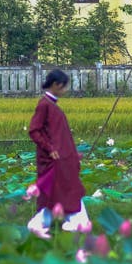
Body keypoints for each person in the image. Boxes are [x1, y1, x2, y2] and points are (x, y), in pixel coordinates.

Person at [27, 69, 88, 233]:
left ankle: (42, 222)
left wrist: (72, 154)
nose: (66, 90)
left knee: (58, 191)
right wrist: (50, 149)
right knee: (63, 190)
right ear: (56, 85)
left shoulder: (51, 104)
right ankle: (75, 221)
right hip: (55, 160)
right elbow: (34, 131)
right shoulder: (44, 105)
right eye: (64, 86)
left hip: (63, 158)